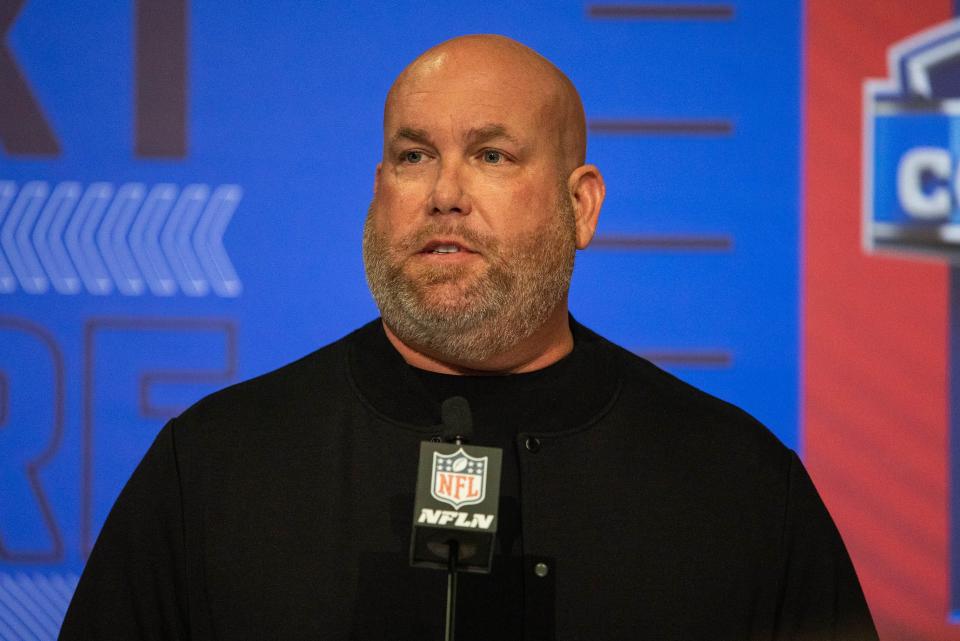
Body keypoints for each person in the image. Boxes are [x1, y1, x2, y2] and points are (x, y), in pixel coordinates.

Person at [59, 35, 878, 640]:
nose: (444, 194)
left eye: (491, 154)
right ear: (380, 190)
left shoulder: (737, 484)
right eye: (414, 156)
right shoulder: (211, 465)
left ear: (581, 206)